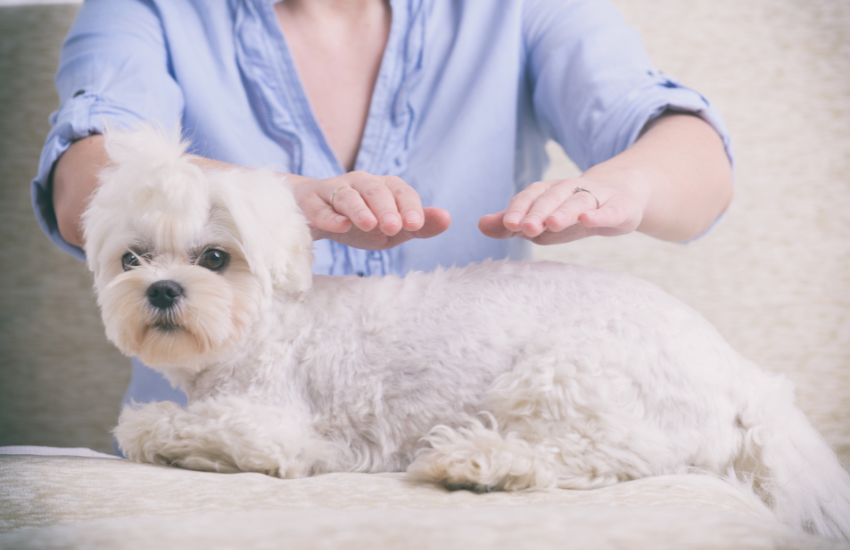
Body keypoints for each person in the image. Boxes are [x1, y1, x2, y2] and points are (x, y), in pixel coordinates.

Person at [33, 0, 733, 414]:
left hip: (474, 436)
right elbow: (85, 180)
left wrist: (630, 188)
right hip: (209, 443)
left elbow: (693, 163)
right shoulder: (141, 8)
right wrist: (287, 201)